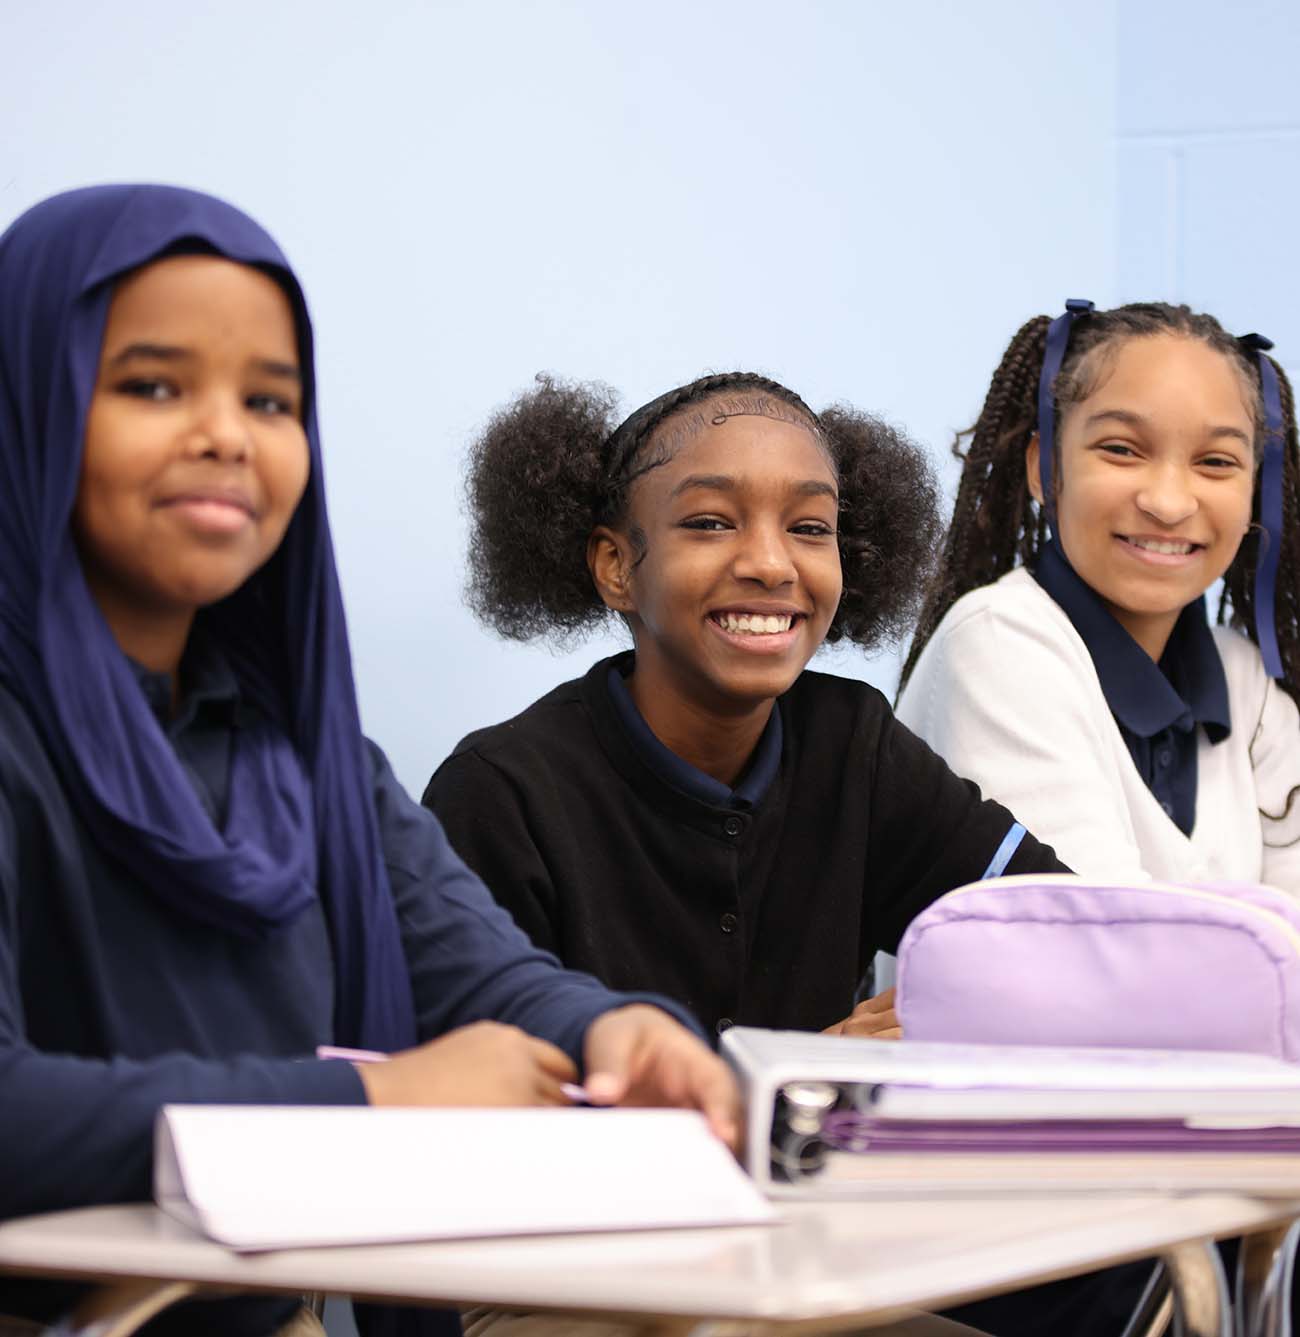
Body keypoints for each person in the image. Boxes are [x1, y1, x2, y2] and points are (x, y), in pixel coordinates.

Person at [0, 185, 737, 1337]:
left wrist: (614, 1031)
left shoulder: (309, 755)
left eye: (271, 399)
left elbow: (480, 976)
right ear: (25, 407)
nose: (225, 433)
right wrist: (369, 1098)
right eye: (151, 385)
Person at [896, 302, 1300, 891]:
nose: (1168, 502)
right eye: (1121, 449)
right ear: (1044, 470)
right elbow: (1100, 942)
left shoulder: (1248, 683)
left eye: (1216, 462)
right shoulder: (997, 643)